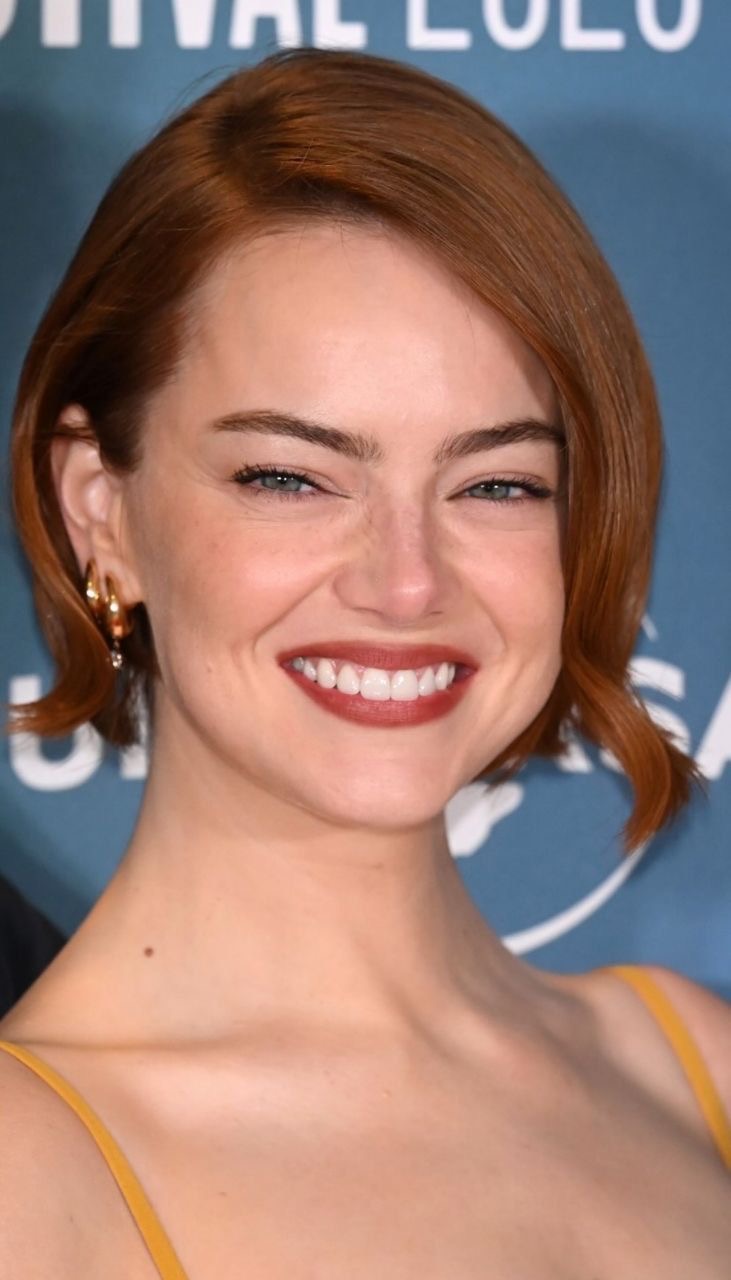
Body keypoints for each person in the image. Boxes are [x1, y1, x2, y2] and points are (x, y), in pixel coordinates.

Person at [0, 46, 729, 1278]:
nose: (406, 582)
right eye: (289, 477)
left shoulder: (690, 1064)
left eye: (495, 483)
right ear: (99, 509)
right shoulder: (25, 1169)